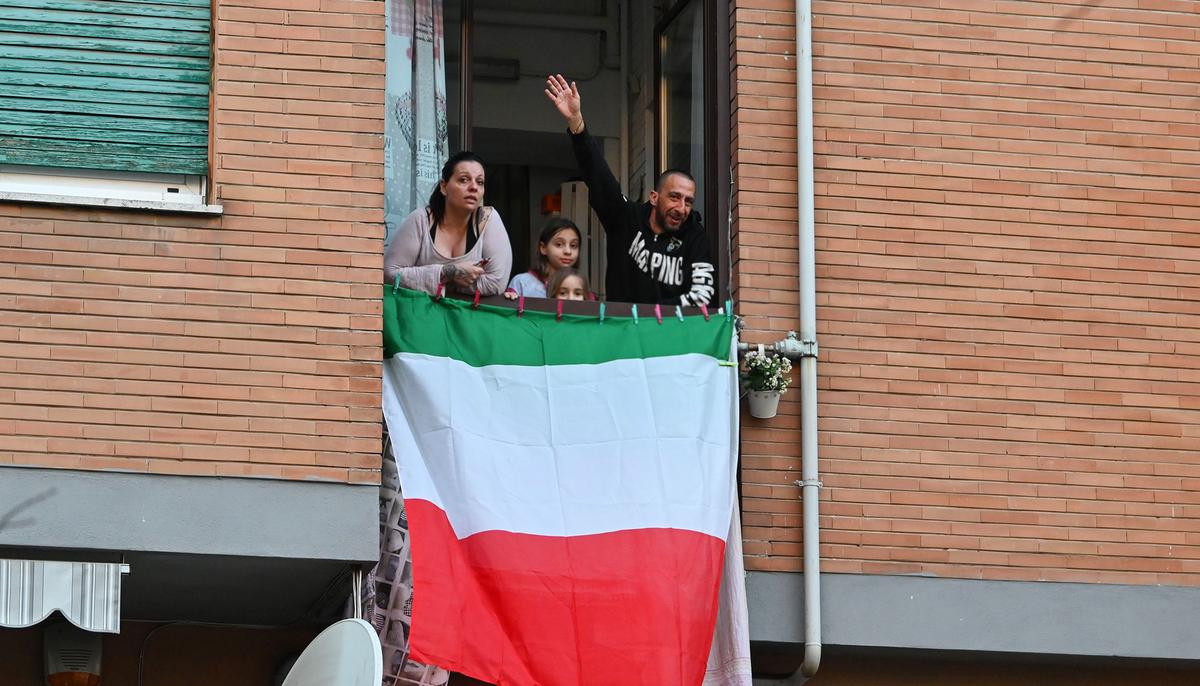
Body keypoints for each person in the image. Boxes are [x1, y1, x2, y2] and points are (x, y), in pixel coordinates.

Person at [544, 73, 715, 307]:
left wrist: (651, 316)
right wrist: (577, 123)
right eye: (675, 197)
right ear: (654, 197)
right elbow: (599, 178)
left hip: (668, 331)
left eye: (688, 201)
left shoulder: (695, 238)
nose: (682, 207)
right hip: (622, 328)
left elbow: (704, 296)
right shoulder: (626, 219)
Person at [384, 151, 513, 296]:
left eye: (480, 182)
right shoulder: (421, 220)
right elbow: (390, 274)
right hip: (419, 310)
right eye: (464, 180)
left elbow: (496, 283)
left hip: (466, 311)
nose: (474, 187)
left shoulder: (487, 219)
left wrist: (443, 280)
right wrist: (448, 272)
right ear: (444, 187)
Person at [505, 217, 582, 298]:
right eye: (559, 244)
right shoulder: (522, 283)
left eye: (573, 245)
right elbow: (508, 306)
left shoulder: (580, 287)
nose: (568, 251)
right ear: (543, 248)